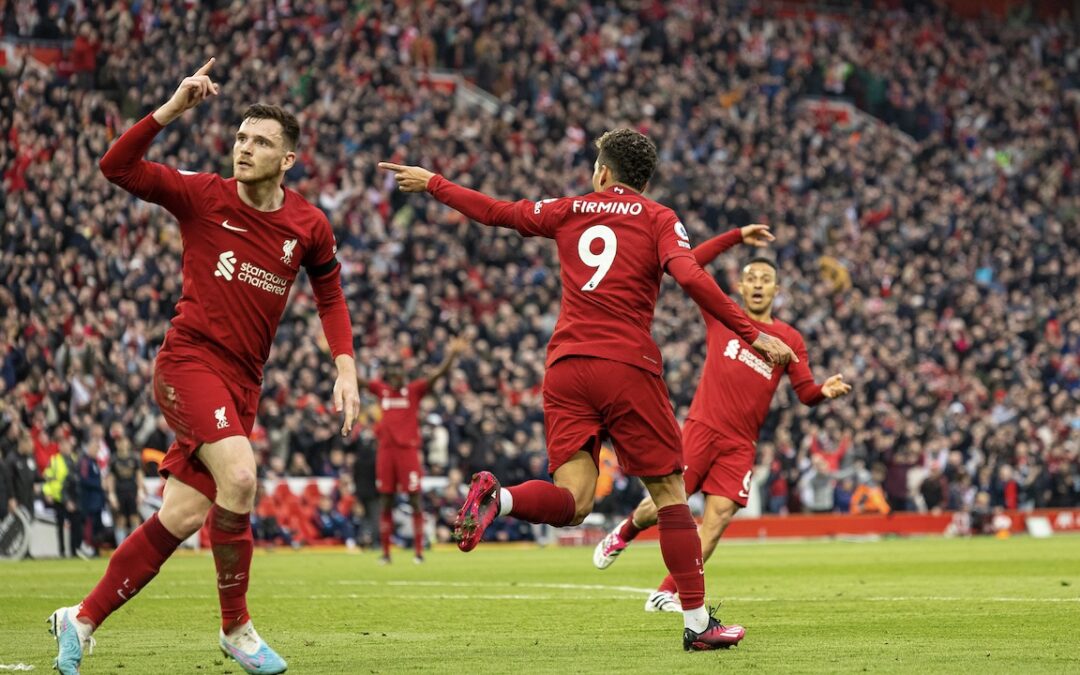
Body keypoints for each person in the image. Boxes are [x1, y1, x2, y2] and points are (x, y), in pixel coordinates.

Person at [379, 128, 796, 651]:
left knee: (575, 501)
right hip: (626, 366)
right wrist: (753, 330)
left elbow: (497, 212)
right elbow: (689, 276)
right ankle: (697, 626)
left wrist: (436, 183)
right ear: (644, 181)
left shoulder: (570, 208)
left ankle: (500, 497)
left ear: (602, 172)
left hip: (566, 366)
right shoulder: (660, 217)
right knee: (670, 496)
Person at [48, 59, 360, 675]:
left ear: (287, 160)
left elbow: (331, 295)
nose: (244, 148)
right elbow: (116, 168)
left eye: (261, 142)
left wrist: (345, 367)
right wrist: (172, 107)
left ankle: (79, 620)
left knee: (183, 515)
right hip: (188, 363)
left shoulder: (308, 226)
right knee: (240, 477)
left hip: (244, 383)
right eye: (241, 137)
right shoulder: (202, 194)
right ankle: (236, 628)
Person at [591, 229, 852, 612]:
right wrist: (736, 236)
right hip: (702, 428)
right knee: (668, 503)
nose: (759, 285)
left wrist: (822, 393)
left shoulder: (789, 339)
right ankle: (626, 532)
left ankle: (666, 592)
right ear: (741, 286)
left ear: (776, 290)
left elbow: (805, 393)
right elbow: (689, 264)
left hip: (740, 444)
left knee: (718, 519)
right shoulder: (723, 315)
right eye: (752, 278)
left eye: (766, 280)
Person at [359, 337, 465, 564]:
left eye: (400, 372)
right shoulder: (382, 391)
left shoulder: (414, 391)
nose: (398, 376)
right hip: (386, 453)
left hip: (408, 452)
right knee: (386, 500)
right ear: (389, 375)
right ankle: (386, 553)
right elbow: (358, 381)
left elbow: (436, 376)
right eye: (394, 372)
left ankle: (419, 551)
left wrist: (452, 355)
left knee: (415, 500)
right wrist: (333, 357)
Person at [107, 437, 145, 545]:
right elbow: (110, 477)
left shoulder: (134, 458)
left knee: (135, 518)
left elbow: (139, 474)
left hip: (132, 491)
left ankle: (136, 545)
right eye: (120, 442)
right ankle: (121, 546)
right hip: (120, 492)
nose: (123, 444)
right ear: (117, 444)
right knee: (120, 519)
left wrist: (141, 490)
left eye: (124, 442)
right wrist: (111, 494)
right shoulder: (113, 459)